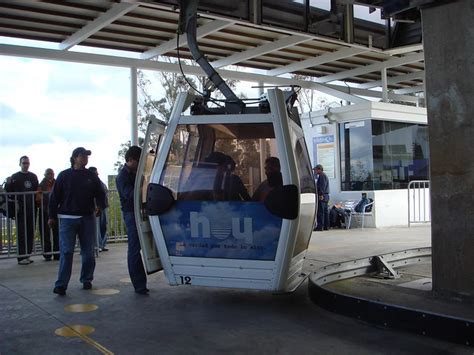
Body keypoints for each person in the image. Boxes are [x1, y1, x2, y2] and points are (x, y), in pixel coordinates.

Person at [49, 147, 106, 296]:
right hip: (67, 219)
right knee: (66, 251)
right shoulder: (64, 176)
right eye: (83, 156)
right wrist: (51, 216)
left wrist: (100, 206)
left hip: (87, 218)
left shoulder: (91, 176)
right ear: (75, 158)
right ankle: (61, 284)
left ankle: (87, 279)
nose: (86, 158)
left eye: (87, 156)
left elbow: (100, 193)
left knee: (88, 252)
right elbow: (54, 197)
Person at [116, 145, 149, 295]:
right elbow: (130, 194)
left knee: (138, 248)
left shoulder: (137, 174)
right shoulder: (122, 177)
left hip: (139, 212)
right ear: (130, 160)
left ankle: (141, 283)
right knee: (134, 249)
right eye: (138, 160)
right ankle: (139, 284)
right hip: (131, 213)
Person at [5, 156, 39, 265]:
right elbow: (8, 191)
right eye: (24, 163)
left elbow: (37, 191)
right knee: (21, 233)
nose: (26, 165)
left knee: (30, 232)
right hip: (20, 209)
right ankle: (21, 257)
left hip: (32, 208)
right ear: (20, 164)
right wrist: (8, 182)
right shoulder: (15, 177)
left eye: (27, 163)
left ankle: (27, 255)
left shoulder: (33, 177)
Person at [37, 168, 59, 261]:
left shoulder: (57, 183)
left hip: (56, 211)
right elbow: (38, 198)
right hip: (45, 210)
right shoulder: (41, 185)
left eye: (52, 173)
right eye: (48, 173)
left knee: (57, 233)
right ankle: (47, 254)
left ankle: (57, 253)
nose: (50, 175)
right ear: (45, 175)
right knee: (45, 233)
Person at [88, 167, 109, 252]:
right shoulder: (90, 182)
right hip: (96, 207)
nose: (97, 174)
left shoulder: (100, 182)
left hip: (103, 206)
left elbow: (105, 192)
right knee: (97, 227)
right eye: (96, 173)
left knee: (103, 225)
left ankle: (102, 244)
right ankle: (98, 245)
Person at [314, 164, 330, 231]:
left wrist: (320, 195)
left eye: (315, 170)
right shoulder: (324, 175)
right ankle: (326, 226)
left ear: (319, 169)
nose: (315, 171)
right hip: (326, 196)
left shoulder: (321, 176)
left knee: (320, 212)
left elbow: (321, 187)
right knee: (325, 212)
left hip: (322, 196)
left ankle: (320, 226)